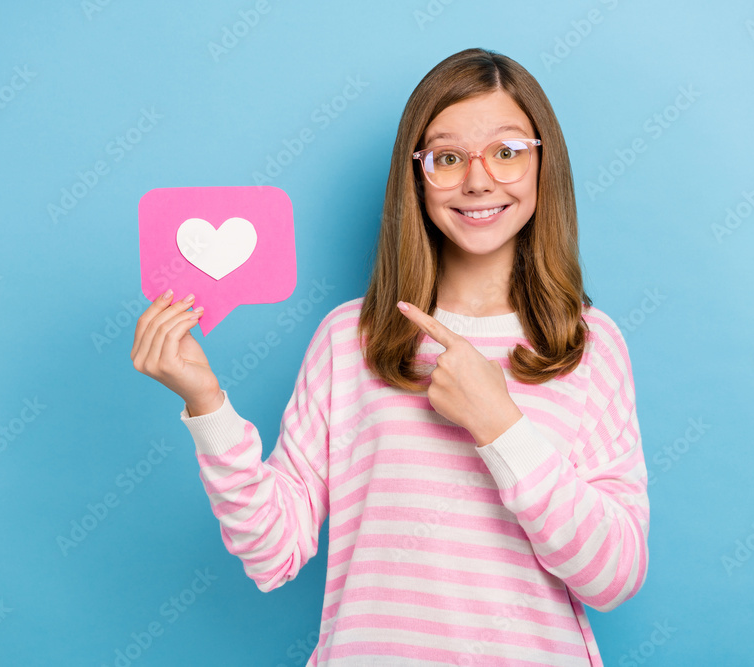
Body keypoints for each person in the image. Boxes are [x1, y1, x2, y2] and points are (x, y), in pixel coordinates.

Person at [131, 47, 649, 667]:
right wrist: (206, 405)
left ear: (544, 163)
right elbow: (273, 553)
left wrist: (500, 425)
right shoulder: (350, 339)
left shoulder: (587, 344)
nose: (478, 180)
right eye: (448, 158)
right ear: (417, 175)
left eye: (507, 151)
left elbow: (614, 577)